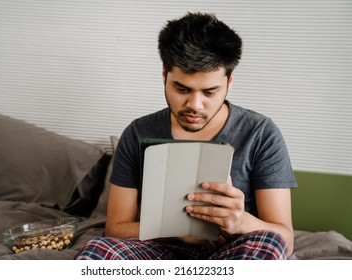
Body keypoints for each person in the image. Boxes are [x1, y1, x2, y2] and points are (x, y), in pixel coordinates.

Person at [75, 12, 297, 260]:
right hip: (159, 247)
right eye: (181, 89)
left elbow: (284, 238)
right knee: (96, 249)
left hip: (232, 248)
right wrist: (179, 233)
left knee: (269, 245)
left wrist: (241, 221)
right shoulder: (138, 132)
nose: (195, 105)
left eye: (210, 92)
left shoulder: (261, 134)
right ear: (164, 76)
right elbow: (115, 229)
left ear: (229, 82)